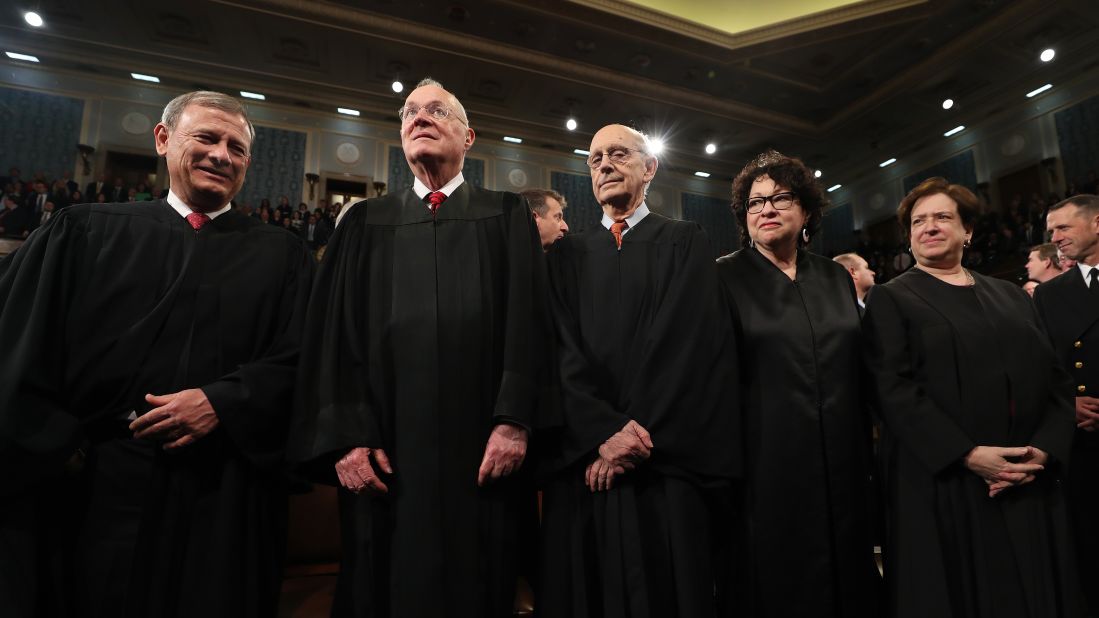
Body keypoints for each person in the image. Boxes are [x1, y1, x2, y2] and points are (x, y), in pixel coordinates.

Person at [0, 91, 315, 617]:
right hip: (101, 485)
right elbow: (21, 345)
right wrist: (66, 444)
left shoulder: (284, 256)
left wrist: (224, 402)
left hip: (227, 488)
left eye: (237, 148)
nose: (222, 155)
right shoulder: (84, 231)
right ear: (164, 140)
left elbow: (304, 357)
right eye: (207, 138)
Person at [289, 78, 552, 618]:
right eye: (409, 111)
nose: (419, 117)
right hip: (384, 453)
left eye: (436, 110)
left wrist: (514, 421)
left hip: (483, 454)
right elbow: (332, 338)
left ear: (469, 136)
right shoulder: (362, 222)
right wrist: (345, 439)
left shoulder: (506, 217)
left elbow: (531, 325)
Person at [539, 124, 740, 618]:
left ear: (649, 168)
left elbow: (689, 346)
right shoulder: (565, 256)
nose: (604, 164)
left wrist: (629, 439)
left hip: (662, 459)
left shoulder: (685, 240)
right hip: (587, 465)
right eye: (595, 159)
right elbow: (556, 351)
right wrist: (600, 433)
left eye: (618, 154)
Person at [864, 177, 1079, 618]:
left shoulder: (1010, 296)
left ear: (968, 231)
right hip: (946, 483)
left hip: (1025, 478)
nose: (929, 227)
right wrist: (968, 454)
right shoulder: (892, 298)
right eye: (918, 221)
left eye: (943, 217)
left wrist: (1045, 449)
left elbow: (1055, 381)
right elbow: (893, 389)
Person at [716, 150, 879, 617]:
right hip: (765, 467)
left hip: (845, 462)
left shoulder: (833, 276)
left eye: (780, 198)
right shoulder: (722, 277)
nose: (766, 209)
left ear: (806, 210)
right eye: (754, 202)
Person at [1034, 193, 1099, 616]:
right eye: (1051, 230)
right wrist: (1067, 405)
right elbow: (1042, 366)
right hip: (1086, 444)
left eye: (1063, 228)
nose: (1054, 238)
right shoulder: (1050, 295)